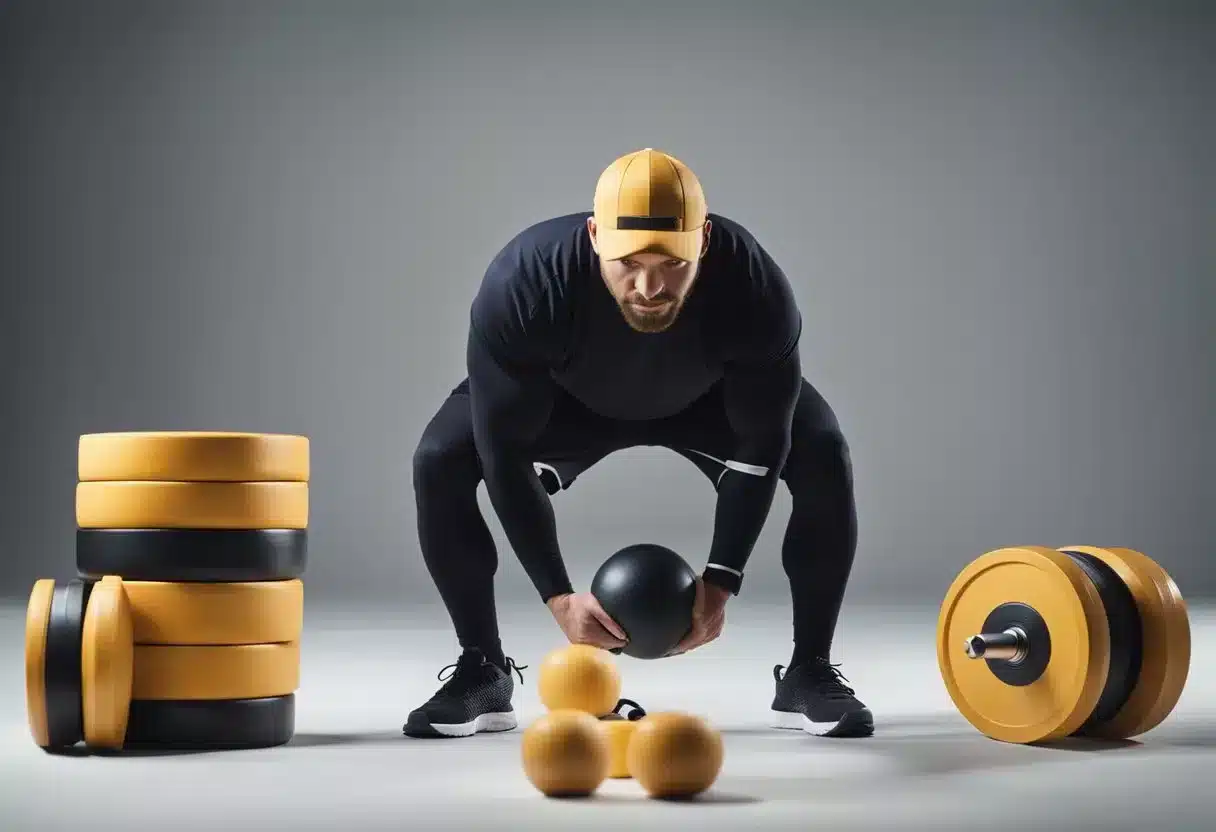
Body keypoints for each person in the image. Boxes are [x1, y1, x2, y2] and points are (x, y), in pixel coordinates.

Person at [404, 148, 872, 740]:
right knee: (440, 459)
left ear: (702, 240)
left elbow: (761, 445)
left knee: (824, 451)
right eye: (629, 263)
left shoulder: (753, 286)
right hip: (566, 403)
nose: (650, 287)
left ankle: (808, 672)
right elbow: (503, 453)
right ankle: (483, 670)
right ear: (595, 235)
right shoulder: (524, 283)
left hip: (708, 402)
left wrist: (720, 581)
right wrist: (559, 598)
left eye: (672, 263)